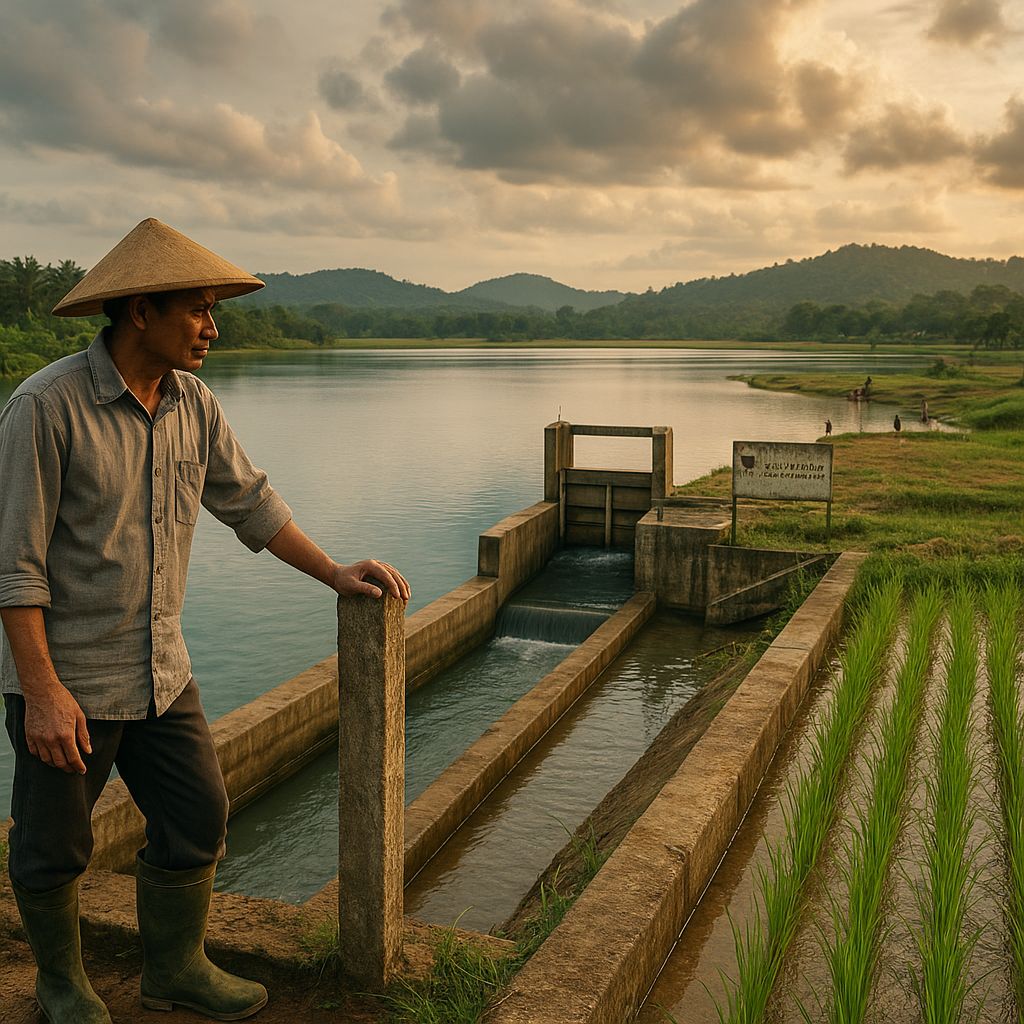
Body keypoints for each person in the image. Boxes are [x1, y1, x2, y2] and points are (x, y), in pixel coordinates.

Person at [0, 218, 410, 1023]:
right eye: (198, 310)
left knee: (198, 817)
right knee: (54, 848)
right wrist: (41, 693)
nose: (212, 329)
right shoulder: (44, 409)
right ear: (140, 312)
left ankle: (174, 969)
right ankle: (59, 987)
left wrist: (332, 570)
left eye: (214, 311)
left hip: (161, 672)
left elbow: (248, 501)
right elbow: (14, 567)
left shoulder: (193, 403)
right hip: (70, 683)